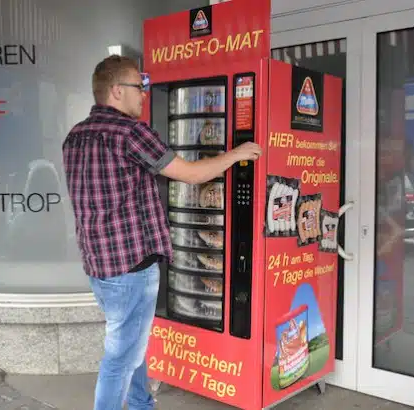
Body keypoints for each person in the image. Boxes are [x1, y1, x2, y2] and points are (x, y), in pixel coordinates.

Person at [61, 55, 262, 410]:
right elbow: (192, 175)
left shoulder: (75, 136)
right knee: (120, 358)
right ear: (116, 91)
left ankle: (141, 404)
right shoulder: (131, 133)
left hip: (99, 267)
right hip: (132, 268)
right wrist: (237, 154)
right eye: (140, 88)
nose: (144, 95)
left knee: (131, 343)